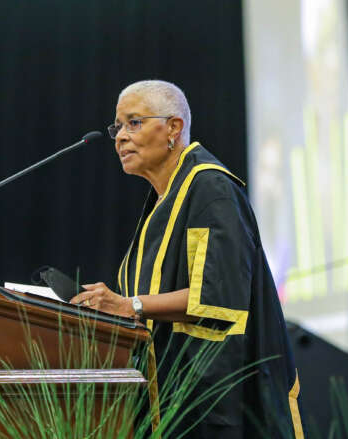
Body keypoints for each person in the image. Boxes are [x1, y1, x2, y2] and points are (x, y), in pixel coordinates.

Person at [70, 80, 304, 438]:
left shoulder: (211, 190)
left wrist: (129, 305)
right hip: (166, 396)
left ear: (173, 129)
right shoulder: (163, 200)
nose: (119, 137)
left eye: (134, 123)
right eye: (117, 126)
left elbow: (215, 299)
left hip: (216, 403)